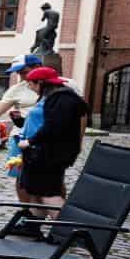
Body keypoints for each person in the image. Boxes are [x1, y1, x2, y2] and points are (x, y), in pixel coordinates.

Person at [17, 65, 87, 216]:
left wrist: (29, 142)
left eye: (31, 84)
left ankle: (66, 231)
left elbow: (52, 126)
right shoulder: (62, 97)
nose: (30, 87)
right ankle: (33, 226)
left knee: (49, 194)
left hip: (49, 155)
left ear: (41, 83)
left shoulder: (60, 99)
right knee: (37, 192)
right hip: (51, 153)